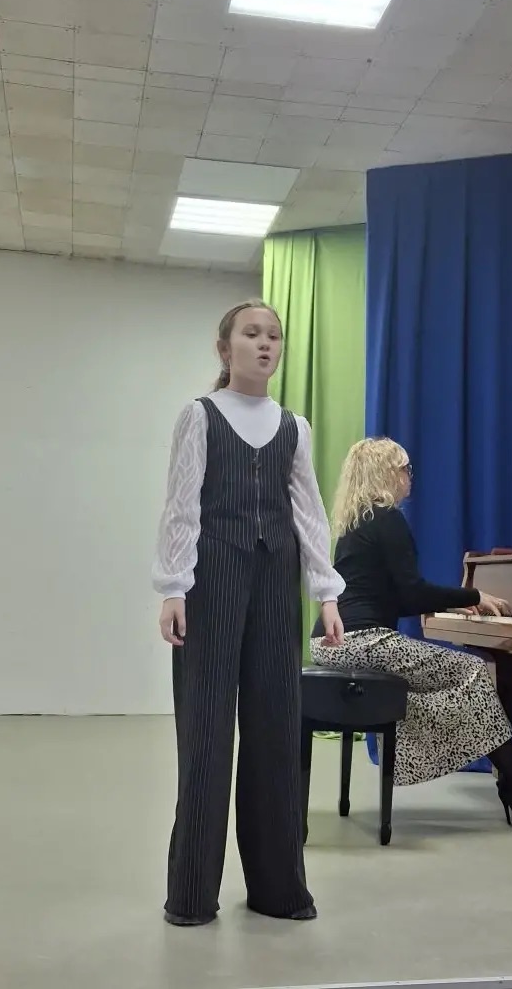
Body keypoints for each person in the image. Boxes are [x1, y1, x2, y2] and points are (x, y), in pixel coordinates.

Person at [153, 298, 345, 927]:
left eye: (274, 336)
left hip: (274, 589)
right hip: (211, 585)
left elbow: (309, 513)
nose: (265, 344)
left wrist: (326, 592)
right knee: (206, 737)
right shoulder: (201, 416)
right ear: (224, 348)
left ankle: (279, 890)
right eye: (252, 334)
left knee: (276, 735)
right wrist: (173, 587)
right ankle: (191, 895)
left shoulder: (294, 426)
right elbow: (182, 505)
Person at [310, 437, 512, 831]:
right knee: (474, 672)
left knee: (459, 682)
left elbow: (393, 598)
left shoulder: (358, 522)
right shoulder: (387, 518)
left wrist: (449, 604)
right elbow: (413, 592)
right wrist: (474, 595)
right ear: (385, 473)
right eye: (404, 468)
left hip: (332, 643)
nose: (409, 476)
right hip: (362, 643)